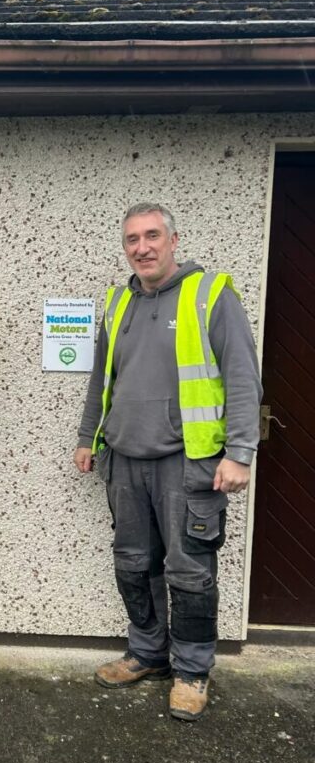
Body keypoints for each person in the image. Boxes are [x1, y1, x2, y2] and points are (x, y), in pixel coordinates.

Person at [74, 203, 261, 721]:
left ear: (173, 240)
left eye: (152, 236)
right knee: (133, 564)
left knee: (190, 572)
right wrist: (88, 436)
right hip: (124, 461)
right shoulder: (118, 303)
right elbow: (101, 378)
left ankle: (193, 672)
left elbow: (242, 376)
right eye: (132, 239)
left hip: (187, 464)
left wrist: (240, 453)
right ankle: (147, 653)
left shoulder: (210, 295)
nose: (143, 248)